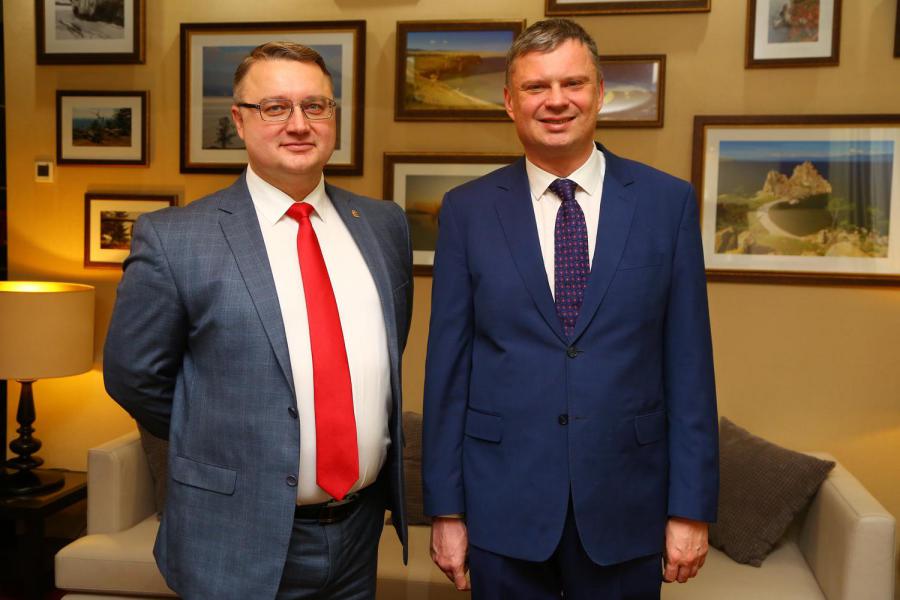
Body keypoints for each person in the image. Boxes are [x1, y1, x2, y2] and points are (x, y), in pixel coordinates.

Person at [104, 42, 412, 600]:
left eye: (315, 106)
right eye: (275, 107)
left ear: (334, 117)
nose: (299, 124)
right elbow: (134, 377)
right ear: (240, 121)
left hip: (359, 532)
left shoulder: (384, 225)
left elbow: (386, 356)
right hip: (234, 535)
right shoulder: (177, 238)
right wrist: (220, 433)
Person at [422, 18, 718, 600]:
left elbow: (690, 368)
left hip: (626, 504)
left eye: (573, 83)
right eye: (536, 87)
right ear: (510, 102)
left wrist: (690, 507)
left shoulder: (667, 204)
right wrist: (446, 510)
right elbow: (447, 373)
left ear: (600, 93)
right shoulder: (466, 211)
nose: (556, 101)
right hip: (501, 507)